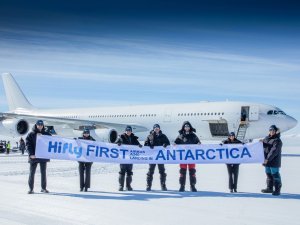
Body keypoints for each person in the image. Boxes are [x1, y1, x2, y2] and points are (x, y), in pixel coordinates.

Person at [26, 120, 51, 194]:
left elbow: (53, 141)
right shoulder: (31, 134)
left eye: (41, 125)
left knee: (43, 173)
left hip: (43, 156)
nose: (40, 126)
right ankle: (31, 189)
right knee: (32, 173)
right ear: (36, 125)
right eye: (38, 125)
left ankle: (43, 188)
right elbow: (28, 145)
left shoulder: (46, 134)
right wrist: (31, 154)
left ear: (43, 126)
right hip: (34, 156)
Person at [175, 121, 201, 192]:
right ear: (183, 128)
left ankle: (192, 186)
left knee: (192, 171)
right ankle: (182, 186)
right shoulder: (180, 136)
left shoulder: (193, 135)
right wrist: (174, 144)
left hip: (191, 156)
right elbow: (175, 143)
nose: (187, 128)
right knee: (182, 171)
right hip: (183, 157)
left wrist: (199, 143)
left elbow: (198, 142)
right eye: (185, 126)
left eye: (188, 126)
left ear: (190, 127)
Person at [144, 124, 170, 191]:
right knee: (150, 171)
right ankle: (148, 186)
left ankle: (163, 185)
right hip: (152, 157)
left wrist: (165, 144)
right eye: (155, 128)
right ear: (153, 129)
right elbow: (145, 144)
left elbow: (168, 143)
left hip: (160, 156)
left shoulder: (163, 136)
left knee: (162, 171)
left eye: (157, 128)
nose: (156, 129)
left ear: (159, 129)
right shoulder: (150, 136)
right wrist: (150, 145)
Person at [116, 125, 142, 191]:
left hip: (130, 158)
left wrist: (139, 145)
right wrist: (118, 143)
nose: (128, 132)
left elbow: (137, 144)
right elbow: (116, 143)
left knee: (129, 172)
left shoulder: (134, 138)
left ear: (131, 131)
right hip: (123, 158)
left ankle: (128, 186)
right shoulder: (121, 137)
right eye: (127, 130)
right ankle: (121, 186)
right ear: (125, 131)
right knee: (122, 172)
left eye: (129, 130)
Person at [261, 125, 283, 196]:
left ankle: (277, 190)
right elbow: (265, 146)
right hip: (266, 161)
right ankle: (269, 188)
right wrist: (262, 142)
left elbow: (274, 151)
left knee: (275, 174)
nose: (271, 132)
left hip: (273, 161)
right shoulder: (266, 138)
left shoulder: (277, 140)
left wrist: (267, 159)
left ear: (276, 131)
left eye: (273, 130)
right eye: (270, 130)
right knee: (268, 174)